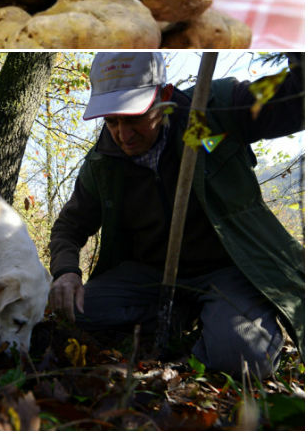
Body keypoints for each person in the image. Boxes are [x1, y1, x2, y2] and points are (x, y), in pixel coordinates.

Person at [49, 51, 304, 378]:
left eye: (134, 118)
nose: (123, 135)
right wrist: (66, 271)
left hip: (227, 271)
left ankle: (205, 341)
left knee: (243, 358)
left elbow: (296, 101)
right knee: (72, 312)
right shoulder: (102, 164)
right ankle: (181, 316)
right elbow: (69, 227)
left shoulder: (216, 109)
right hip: (150, 278)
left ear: (164, 97)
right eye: (111, 121)